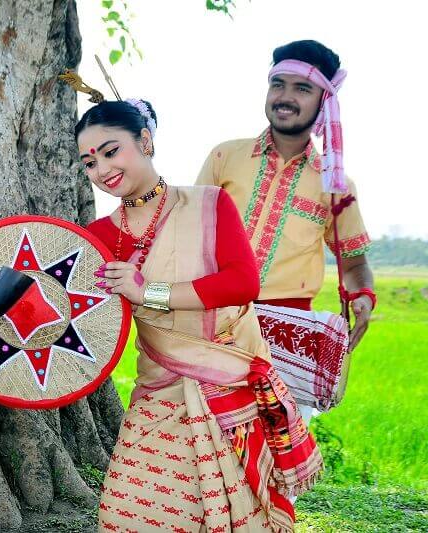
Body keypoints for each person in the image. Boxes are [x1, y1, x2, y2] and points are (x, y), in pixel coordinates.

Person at [75, 98, 321, 532]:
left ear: (145, 141)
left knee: (231, 514)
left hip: (225, 384)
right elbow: (90, 322)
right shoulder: (99, 237)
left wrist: (146, 291)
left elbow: (243, 283)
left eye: (111, 151)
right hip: (158, 390)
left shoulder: (209, 205)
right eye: (89, 162)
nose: (102, 170)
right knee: (127, 514)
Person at [195, 40, 375, 420]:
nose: (285, 97)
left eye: (302, 88)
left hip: (288, 339)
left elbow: (354, 263)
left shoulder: (335, 183)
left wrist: (363, 296)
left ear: (324, 101)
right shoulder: (226, 157)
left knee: (276, 452)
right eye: (278, 84)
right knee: (201, 440)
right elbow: (187, 234)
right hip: (213, 322)